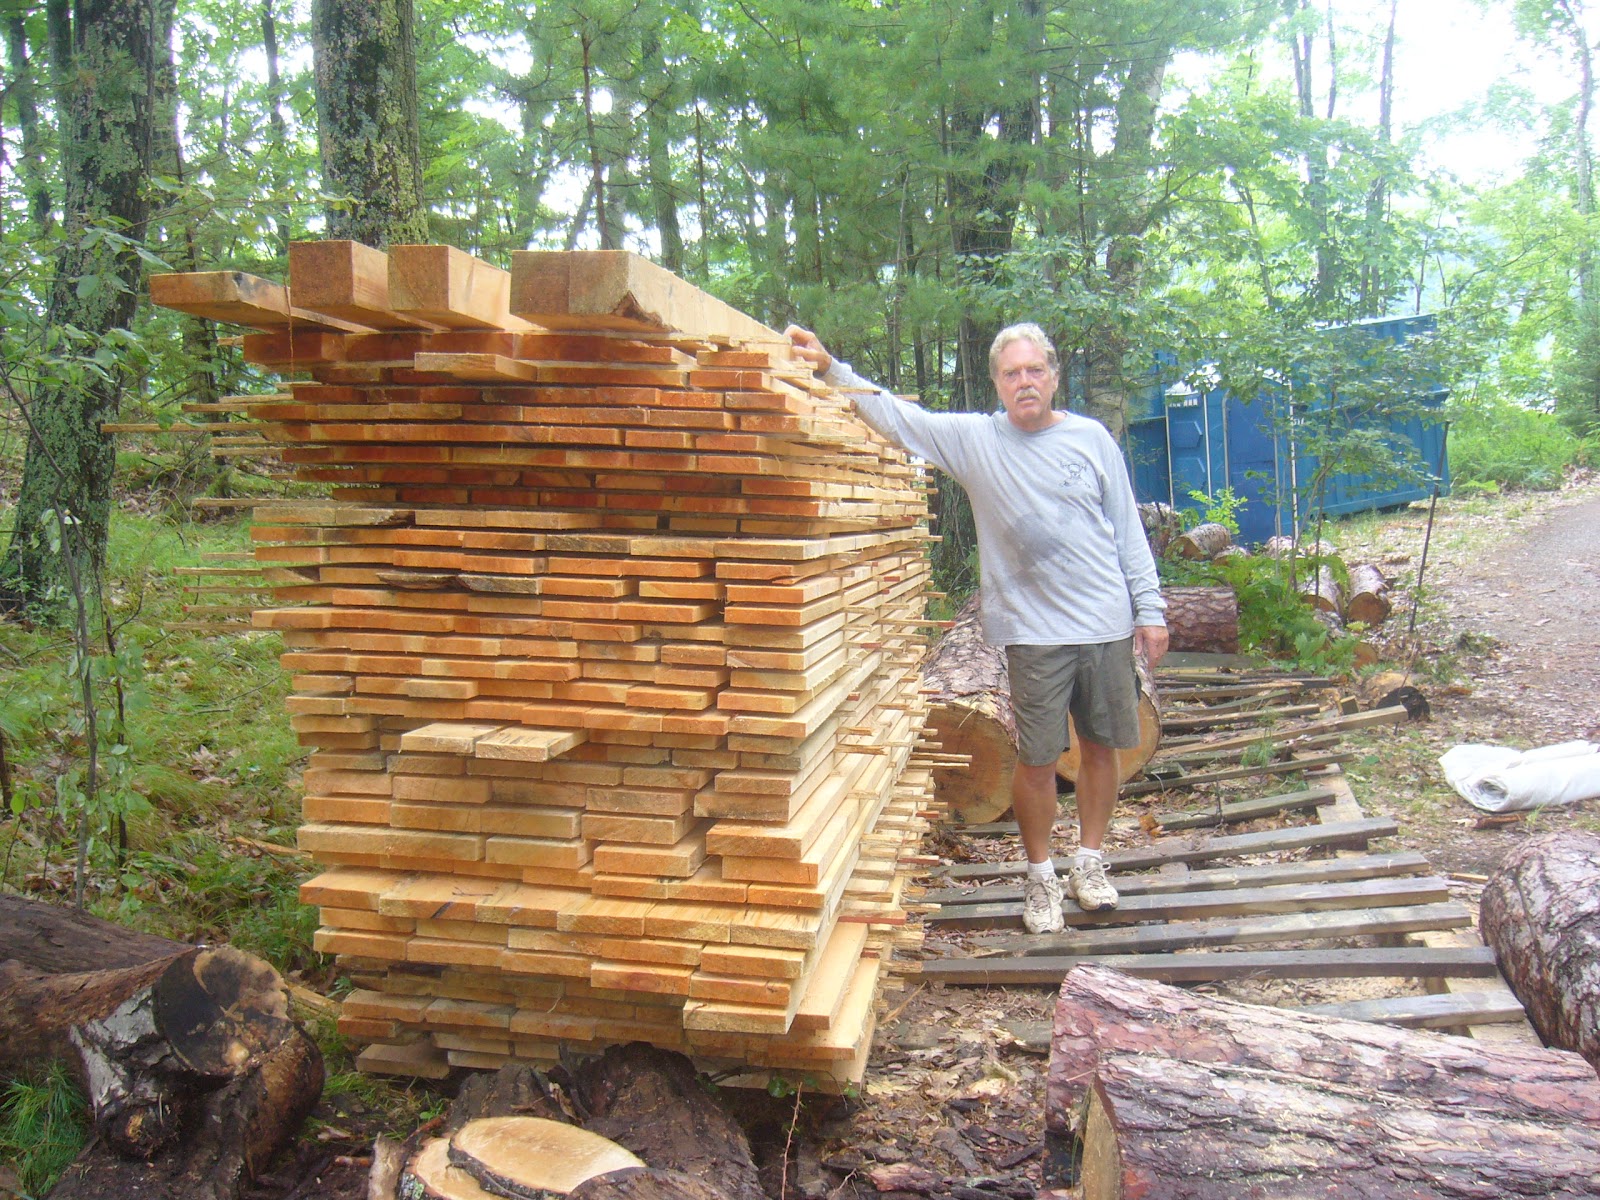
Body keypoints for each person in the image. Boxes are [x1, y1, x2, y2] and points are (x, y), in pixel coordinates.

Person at [786, 322, 1169, 934]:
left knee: (1102, 750)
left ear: (1053, 375)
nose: (1025, 382)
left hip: (1104, 624)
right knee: (1039, 759)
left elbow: (1127, 530)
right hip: (1032, 633)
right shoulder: (977, 440)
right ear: (997, 382)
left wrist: (1149, 610)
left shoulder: (1091, 439)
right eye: (1012, 373)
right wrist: (833, 370)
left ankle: (1090, 863)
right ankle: (1041, 876)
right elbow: (898, 419)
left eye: (1034, 371)